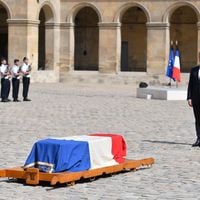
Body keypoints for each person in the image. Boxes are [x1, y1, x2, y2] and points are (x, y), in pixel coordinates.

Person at [187, 52, 200, 147]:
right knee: (198, 119)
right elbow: (190, 85)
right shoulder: (194, 70)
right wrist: (189, 97)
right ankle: (199, 138)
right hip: (196, 99)